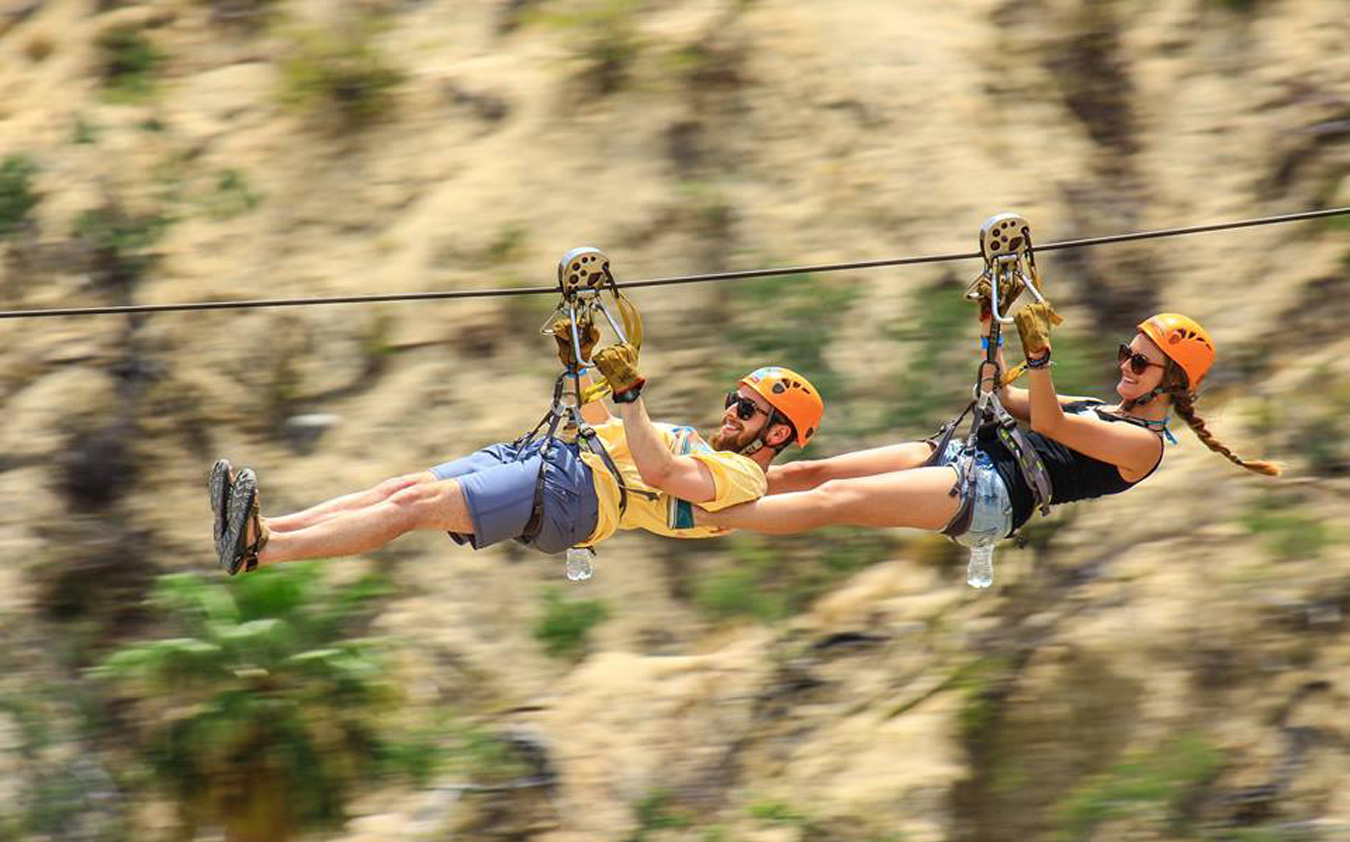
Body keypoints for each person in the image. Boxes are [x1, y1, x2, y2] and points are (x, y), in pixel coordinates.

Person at [209, 320, 825, 575]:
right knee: (403, 489)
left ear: (777, 435)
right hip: (558, 459)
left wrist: (632, 393)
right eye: (733, 397)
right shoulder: (693, 439)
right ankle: (259, 525)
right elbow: (601, 421)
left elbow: (662, 475)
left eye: (747, 409)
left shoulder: (747, 482)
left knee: (412, 511)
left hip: (577, 496)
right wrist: (581, 359)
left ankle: (264, 548)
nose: (730, 411)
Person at [693, 288, 1280, 544]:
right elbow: (998, 398)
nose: (1127, 365)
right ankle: (699, 478)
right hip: (967, 457)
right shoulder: (1100, 407)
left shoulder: (1144, 447)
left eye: (1142, 363)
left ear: (1171, 383)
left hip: (992, 493)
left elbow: (1049, 425)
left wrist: (1041, 359)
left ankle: (704, 511)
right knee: (809, 473)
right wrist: (994, 324)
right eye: (1126, 354)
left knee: (837, 500)